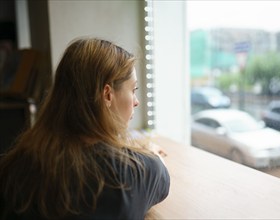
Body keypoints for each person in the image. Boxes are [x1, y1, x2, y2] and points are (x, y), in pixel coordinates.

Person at [0, 37, 170, 219]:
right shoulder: (124, 175)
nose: (136, 102)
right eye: (133, 90)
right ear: (107, 95)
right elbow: (159, 174)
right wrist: (151, 154)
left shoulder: (16, 165)